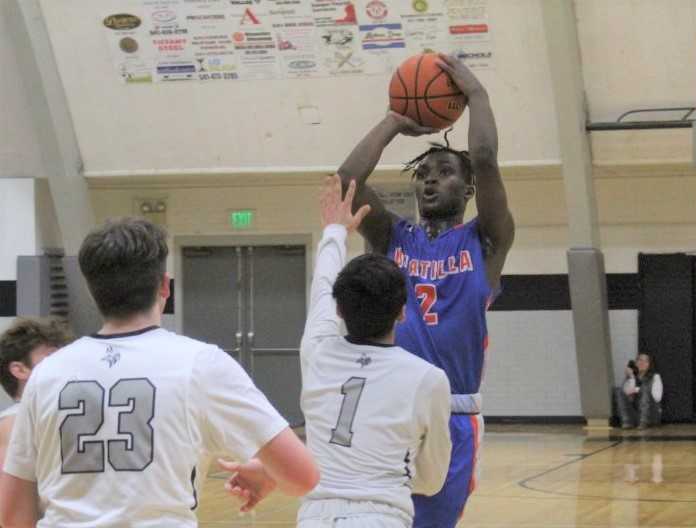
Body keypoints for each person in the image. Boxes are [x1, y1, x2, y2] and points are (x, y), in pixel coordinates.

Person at [0, 217, 319, 527]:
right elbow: (303, 477)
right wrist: (268, 473)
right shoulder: (200, 363)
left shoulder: (46, 374)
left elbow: (14, 517)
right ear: (164, 287)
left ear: (92, 290)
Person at [338, 53, 514, 528]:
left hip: (452, 414)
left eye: (445, 171)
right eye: (425, 173)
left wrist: (476, 94)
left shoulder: (486, 240)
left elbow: (486, 158)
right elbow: (345, 183)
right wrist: (393, 121)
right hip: (388, 406)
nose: (432, 178)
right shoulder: (392, 238)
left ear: (468, 189)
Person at [297, 175, 452, 528]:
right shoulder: (428, 379)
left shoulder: (317, 351)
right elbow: (432, 481)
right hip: (382, 516)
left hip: (315, 517)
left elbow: (322, 287)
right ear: (402, 311)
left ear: (339, 311)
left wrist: (334, 231)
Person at [0, 318, 72, 471]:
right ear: (20, 370)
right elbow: (8, 492)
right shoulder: (13, 422)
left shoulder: (64, 411)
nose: (65, 365)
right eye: (52, 358)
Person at [615, 352, 663, 429]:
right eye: (640, 360)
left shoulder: (655, 377)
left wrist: (640, 390)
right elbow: (627, 396)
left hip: (651, 414)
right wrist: (631, 377)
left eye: (646, 361)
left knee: (644, 389)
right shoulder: (631, 377)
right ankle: (627, 422)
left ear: (649, 364)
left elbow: (657, 398)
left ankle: (643, 422)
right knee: (619, 391)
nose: (642, 363)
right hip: (635, 414)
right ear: (635, 363)